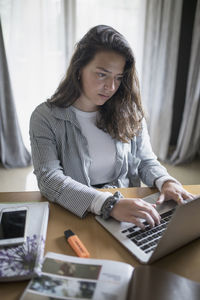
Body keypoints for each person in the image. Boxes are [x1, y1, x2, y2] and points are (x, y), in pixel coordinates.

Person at [30, 25, 194, 229]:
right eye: (101, 74)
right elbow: (49, 179)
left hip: (127, 212)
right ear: (79, 69)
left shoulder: (129, 111)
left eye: (118, 77)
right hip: (76, 211)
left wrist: (165, 181)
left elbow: (145, 161)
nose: (111, 87)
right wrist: (108, 204)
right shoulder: (45, 117)